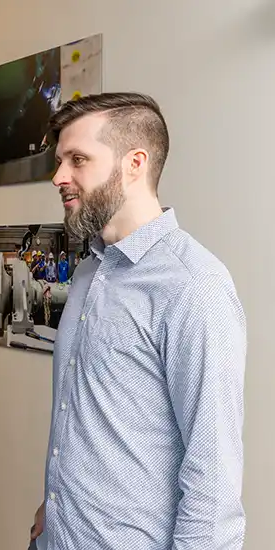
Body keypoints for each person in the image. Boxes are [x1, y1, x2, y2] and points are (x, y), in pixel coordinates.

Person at [29, 92, 247, 549]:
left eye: (77, 159)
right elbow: (93, 421)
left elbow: (214, 478)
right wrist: (56, 506)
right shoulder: (90, 269)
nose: (58, 177)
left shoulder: (194, 286)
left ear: (135, 163)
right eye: (59, 160)